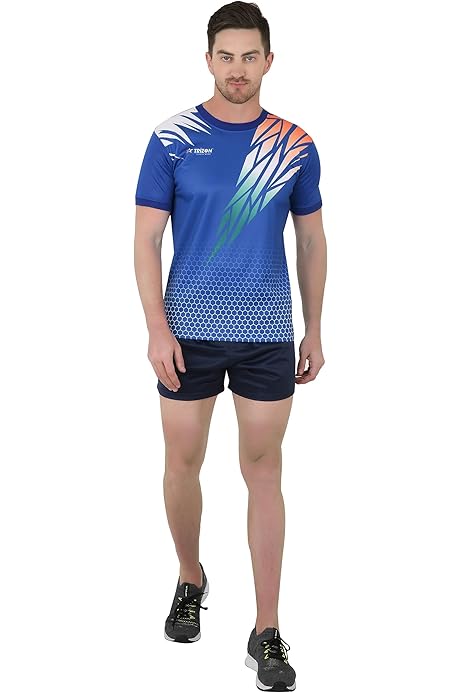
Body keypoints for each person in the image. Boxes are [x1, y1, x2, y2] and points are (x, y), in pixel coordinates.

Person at [134, 2, 327, 690]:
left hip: (266, 332)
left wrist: (314, 326)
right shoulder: (172, 139)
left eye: (250, 57)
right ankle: (190, 576)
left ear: (268, 61)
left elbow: (311, 239)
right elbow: (146, 239)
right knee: (181, 463)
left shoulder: (294, 143)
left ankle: (266, 627)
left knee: (263, 471)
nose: (237, 69)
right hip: (186, 329)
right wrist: (156, 327)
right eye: (226, 56)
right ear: (208, 59)